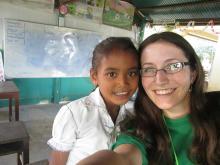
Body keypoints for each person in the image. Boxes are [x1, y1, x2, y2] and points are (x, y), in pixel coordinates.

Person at [77, 32, 220, 165]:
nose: (160, 80)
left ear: (193, 73)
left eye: (173, 66)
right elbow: (123, 157)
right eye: (149, 69)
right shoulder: (138, 130)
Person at [47, 37, 139, 165]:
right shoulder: (73, 114)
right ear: (94, 76)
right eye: (112, 74)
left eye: (132, 73)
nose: (123, 83)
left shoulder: (134, 112)